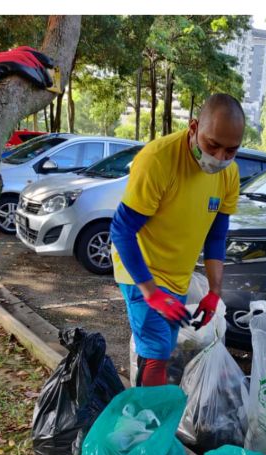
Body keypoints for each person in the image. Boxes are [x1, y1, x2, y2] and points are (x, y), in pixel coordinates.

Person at [110, 94, 244, 386]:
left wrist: (214, 291)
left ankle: (147, 412)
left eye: (231, 150)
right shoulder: (158, 160)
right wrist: (151, 292)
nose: (220, 158)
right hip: (141, 269)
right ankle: (146, 423)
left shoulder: (229, 174)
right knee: (156, 352)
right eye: (212, 145)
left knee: (165, 347)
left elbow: (216, 235)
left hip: (178, 275)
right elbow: (121, 230)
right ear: (194, 127)